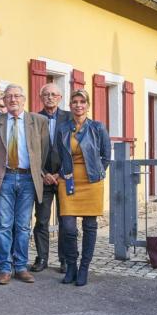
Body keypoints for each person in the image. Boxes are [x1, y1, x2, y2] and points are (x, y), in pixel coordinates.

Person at [0, 84, 49, 285]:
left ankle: (21, 266)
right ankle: (4, 267)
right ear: (4, 101)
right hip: (4, 177)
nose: (13, 99)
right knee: (4, 225)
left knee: (22, 225)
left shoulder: (39, 121)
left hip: (28, 178)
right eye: (8, 96)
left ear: (24, 99)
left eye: (16, 96)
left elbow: (44, 150)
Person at [57, 89, 110, 286]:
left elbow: (106, 156)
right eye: (75, 102)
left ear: (87, 105)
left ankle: (84, 268)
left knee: (89, 226)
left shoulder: (97, 127)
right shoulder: (63, 128)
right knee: (68, 227)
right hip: (68, 180)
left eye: (82, 101)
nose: (78, 105)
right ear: (70, 105)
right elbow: (59, 153)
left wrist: (97, 173)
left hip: (91, 182)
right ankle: (71, 266)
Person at [32, 83, 74, 273]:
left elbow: (74, 149)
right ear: (41, 97)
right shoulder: (33, 119)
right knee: (41, 220)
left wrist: (60, 173)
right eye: (46, 94)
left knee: (65, 220)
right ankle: (42, 258)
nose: (50, 97)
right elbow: (30, 149)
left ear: (60, 98)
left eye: (54, 94)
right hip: (42, 177)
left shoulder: (69, 118)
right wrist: (43, 173)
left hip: (65, 176)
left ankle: (65, 260)